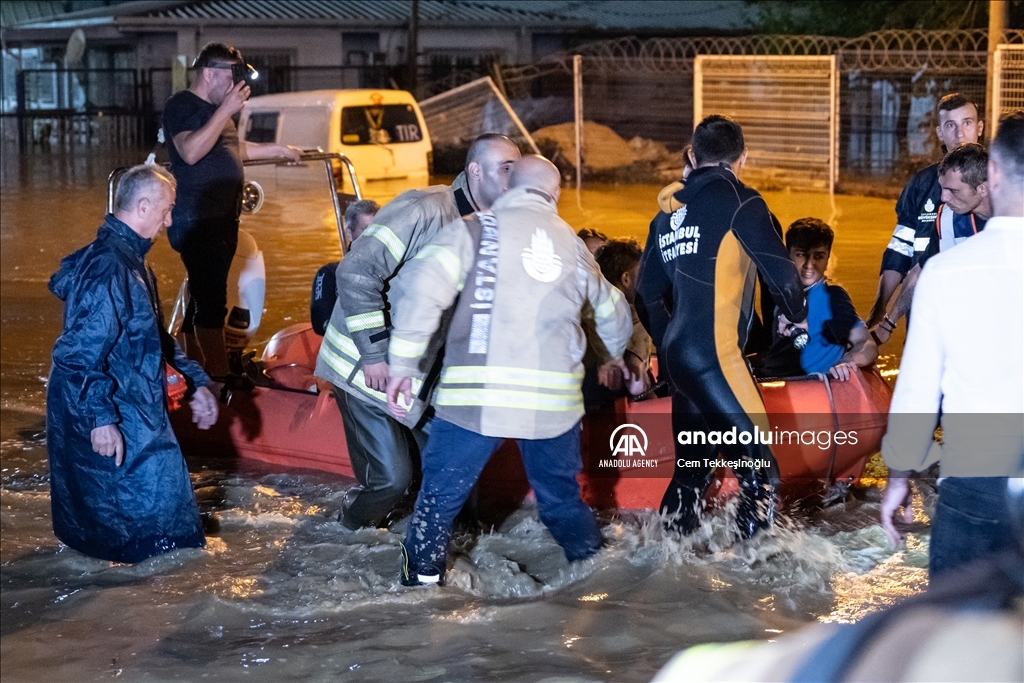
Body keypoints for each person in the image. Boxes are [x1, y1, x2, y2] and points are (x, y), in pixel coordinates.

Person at [385, 155, 633, 585]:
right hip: (552, 405)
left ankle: (420, 593)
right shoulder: (574, 246)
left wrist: (402, 365)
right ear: (554, 195)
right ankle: (600, 581)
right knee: (561, 502)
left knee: (438, 502)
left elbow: (421, 291)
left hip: (476, 398)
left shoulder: (473, 230)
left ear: (507, 188)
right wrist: (613, 355)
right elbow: (613, 310)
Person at [314, 134, 522, 531]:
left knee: (455, 478)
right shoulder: (423, 210)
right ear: (475, 171)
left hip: (419, 378)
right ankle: (341, 535)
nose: (517, 176)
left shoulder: (495, 229)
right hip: (365, 367)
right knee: (392, 479)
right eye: (507, 167)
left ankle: (434, 558)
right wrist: (375, 355)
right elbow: (356, 272)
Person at [634, 114, 807, 539]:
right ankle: (751, 575)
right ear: (743, 157)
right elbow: (784, 278)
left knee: (692, 472)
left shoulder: (666, 215)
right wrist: (798, 314)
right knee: (761, 472)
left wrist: (671, 344)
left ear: (692, 156)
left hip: (677, 359)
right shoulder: (744, 202)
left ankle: (664, 559)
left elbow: (644, 293)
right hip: (715, 357)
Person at [47, 165, 219, 564]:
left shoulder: (133, 264)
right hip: (114, 411)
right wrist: (101, 419)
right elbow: (76, 354)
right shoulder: (110, 269)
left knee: (161, 532)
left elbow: (154, 338)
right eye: (168, 209)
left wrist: (197, 383)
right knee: (153, 539)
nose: (170, 220)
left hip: (132, 407)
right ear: (143, 206)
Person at [879, 110, 1024, 581]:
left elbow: (918, 391)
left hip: (976, 478)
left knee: (961, 638)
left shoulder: (946, 273)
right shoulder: (945, 244)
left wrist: (898, 476)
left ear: (993, 175)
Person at [162, 42, 301, 379]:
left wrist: (277, 149)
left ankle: (195, 369)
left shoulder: (215, 111)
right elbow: (190, 151)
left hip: (221, 217)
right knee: (212, 304)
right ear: (209, 73)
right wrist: (225, 110)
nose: (237, 84)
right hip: (198, 218)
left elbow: (230, 147)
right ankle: (221, 378)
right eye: (232, 75)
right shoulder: (183, 104)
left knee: (202, 297)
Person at [866, 93, 983, 332]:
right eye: (951, 125)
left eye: (967, 123)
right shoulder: (920, 184)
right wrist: (881, 309)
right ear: (939, 132)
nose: (960, 134)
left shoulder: (1001, 188)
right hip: (922, 311)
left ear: (979, 127)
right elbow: (902, 249)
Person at [871, 143, 991, 344]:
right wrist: (886, 326)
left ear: (982, 188)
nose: (943, 197)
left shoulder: (1015, 219)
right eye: (942, 188)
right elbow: (922, 269)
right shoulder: (946, 219)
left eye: (953, 190)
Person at [757, 218, 877, 381]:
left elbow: (866, 343)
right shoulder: (785, 293)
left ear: (828, 259)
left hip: (800, 387)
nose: (810, 265)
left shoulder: (832, 297)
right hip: (771, 381)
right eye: (801, 255)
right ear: (788, 256)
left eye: (818, 256)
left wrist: (845, 362)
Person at [583, 238, 652, 409]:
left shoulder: (584, 309)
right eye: (642, 273)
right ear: (626, 279)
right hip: (616, 413)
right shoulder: (635, 312)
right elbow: (636, 381)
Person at [310, 199, 380, 336]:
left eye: (376, 229)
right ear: (349, 234)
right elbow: (321, 323)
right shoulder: (329, 274)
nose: (373, 236)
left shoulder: (393, 270)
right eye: (366, 229)